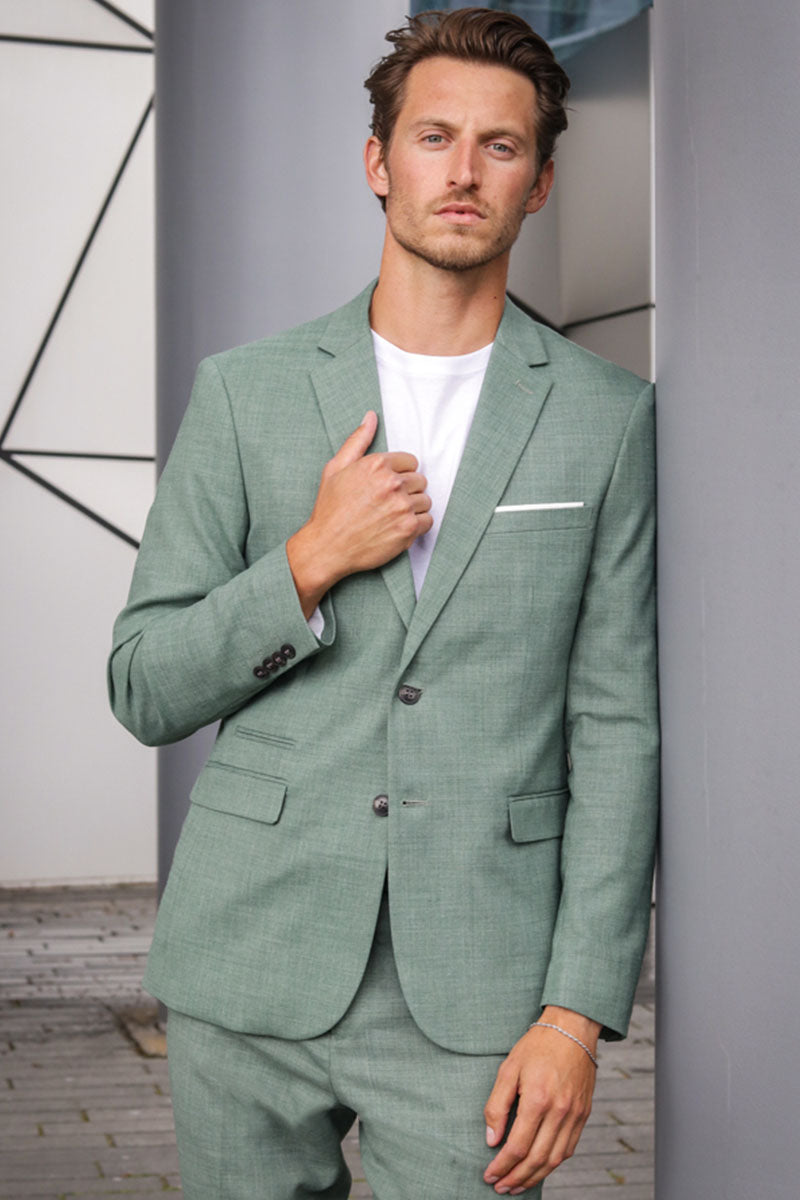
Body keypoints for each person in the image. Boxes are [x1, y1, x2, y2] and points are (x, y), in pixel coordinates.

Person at [108, 8, 658, 1198]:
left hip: (478, 991)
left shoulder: (607, 419)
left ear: (539, 182)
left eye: (499, 146)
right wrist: (308, 560)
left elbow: (616, 731)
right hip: (248, 962)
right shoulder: (245, 395)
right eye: (432, 137)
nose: (462, 172)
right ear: (377, 160)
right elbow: (144, 685)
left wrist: (574, 1014)